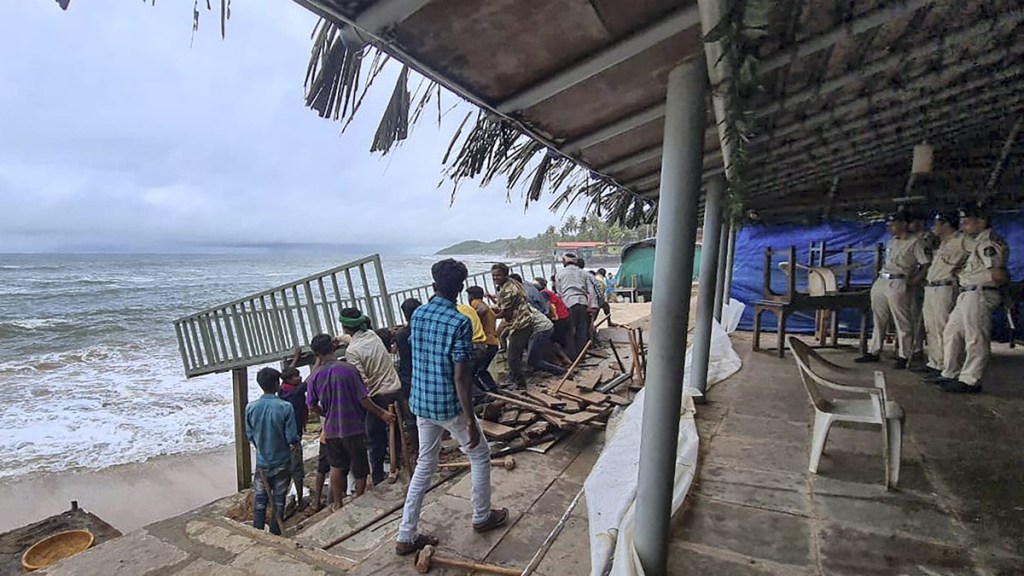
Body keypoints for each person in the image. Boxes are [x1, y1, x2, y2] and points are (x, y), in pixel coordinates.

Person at [396, 259, 508, 556]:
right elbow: (461, 375)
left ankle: (406, 535)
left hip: (420, 401)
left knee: (425, 464)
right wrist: (470, 418)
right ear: (459, 288)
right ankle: (482, 516)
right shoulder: (458, 321)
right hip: (448, 404)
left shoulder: (418, 314)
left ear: (433, 285)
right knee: (480, 455)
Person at [306, 333, 395, 511]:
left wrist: (326, 412)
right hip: (353, 426)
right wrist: (381, 413)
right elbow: (363, 399)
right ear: (334, 347)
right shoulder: (348, 369)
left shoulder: (315, 377)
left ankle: (337, 503)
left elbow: (311, 405)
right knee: (360, 467)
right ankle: (358, 499)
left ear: (316, 354)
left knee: (337, 466)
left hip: (331, 429)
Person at [935, 203, 1009, 393]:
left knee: (975, 337)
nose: (962, 226)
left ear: (981, 222)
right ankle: (950, 372)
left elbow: (997, 274)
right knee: (951, 332)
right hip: (967, 292)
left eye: (966, 222)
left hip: (979, 292)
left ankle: (970, 379)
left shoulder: (988, 243)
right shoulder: (978, 242)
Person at [855, 211, 931, 368]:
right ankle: (874, 350)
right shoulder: (891, 242)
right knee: (878, 317)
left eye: (894, 224)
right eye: (889, 225)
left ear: (904, 224)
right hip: (883, 279)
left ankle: (904, 354)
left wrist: (915, 280)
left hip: (899, 280)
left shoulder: (916, 242)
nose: (890, 227)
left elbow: (925, 264)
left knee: (902, 320)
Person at [339, 307, 404, 487]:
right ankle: (396, 463)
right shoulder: (373, 336)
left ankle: (377, 477)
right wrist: (340, 338)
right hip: (395, 389)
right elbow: (352, 336)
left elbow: (362, 381)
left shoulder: (352, 351)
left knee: (374, 440)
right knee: (395, 432)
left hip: (377, 396)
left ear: (345, 327)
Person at [246, 367, 300, 535]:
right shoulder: (285, 407)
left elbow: (250, 435)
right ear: (277, 384)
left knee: (260, 500)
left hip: (262, 461)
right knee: (278, 500)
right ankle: (275, 533)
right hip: (282, 460)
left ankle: (258, 532)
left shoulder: (250, 407)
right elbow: (291, 436)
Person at [916, 212, 968, 377]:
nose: (934, 227)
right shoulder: (942, 243)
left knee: (943, 327)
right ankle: (935, 362)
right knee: (931, 327)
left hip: (945, 286)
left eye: (937, 223)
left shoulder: (962, 240)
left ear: (946, 225)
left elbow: (975, 256)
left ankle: (947, 366)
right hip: (931, 287)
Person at [492, 263, 534, 390]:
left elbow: (506, 313)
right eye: (493, 276)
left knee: (512, 357)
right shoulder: (513, 282)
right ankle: (514, 377)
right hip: (525, 320)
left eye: (498, 275)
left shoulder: (507, 290)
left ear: (505, 275)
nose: (495, 278)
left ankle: (521, 384)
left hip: (520, 324)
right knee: (515, 351)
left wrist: (490, 317)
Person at [278, 358, 308, 507]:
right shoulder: (296, 392)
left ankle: (284, 500)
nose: (300, 377)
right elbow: (311, 378)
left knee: (288, 468)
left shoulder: (282, 390)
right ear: (290, 380)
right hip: (294, 436)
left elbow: (286, 374)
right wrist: (319, 362)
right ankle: (300, 500)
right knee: (297, 468)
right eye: (296, 376)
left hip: (284, 434)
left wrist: (296, 359)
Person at [395, 298, 422, 461]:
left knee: (410, 417)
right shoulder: (423, 330)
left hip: (407, 376)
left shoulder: (401, 334)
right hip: (424, 374)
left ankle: (418, 450)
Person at [556, 254, 597, 359]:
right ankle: (581, 355)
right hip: (582, 302)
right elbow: (591, 291)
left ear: (565, 262)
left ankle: (572, 356)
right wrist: (593, 306)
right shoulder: (583, 273)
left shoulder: (559, 274)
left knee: (569, 331)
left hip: (568, 303)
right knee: (582, 330)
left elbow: (559, 292)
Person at [457, 293, 497, 399]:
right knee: (479, 371)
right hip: (485, 344)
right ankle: (491, 390)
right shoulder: (467, 309)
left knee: (467, 375)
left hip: (477, 346)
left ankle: (482, 396)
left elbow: (482, 308)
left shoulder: (473, 304)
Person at [534, 277, 574, 365]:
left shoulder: (543, 293)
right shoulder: (549, 292)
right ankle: (567, 358)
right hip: (565, 316)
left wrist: (554, 316)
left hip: (559, 318)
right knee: (563, 339)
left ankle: (559, 360)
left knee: (551, 340)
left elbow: (551, 306)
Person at [467, 286, 500, 392]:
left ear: (471, 296)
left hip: (486, 343)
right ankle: (493, 390)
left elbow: (483, 309)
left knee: (471, 373)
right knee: (482, 370)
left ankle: (481, 393)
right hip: (493, 342)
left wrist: (472, 319)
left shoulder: (475, 303)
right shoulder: (486, 305)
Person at [526, 306, 566, 376]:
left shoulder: (518, 308)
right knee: (536, 356)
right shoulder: (523, 303)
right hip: (545, 326)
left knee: (532, 360)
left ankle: (560, 371)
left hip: (541, 329)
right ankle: (558, 369)